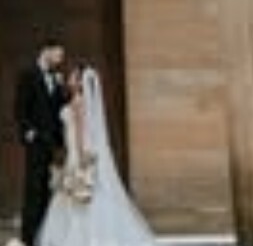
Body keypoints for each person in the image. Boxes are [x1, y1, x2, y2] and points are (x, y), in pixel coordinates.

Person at [37, 65, 156, 246]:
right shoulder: (78, 100)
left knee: (76, 191)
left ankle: (78, 236)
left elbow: (80, 131)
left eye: (73, 77)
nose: (70, 80)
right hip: (77, 150)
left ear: (80, 83)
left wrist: (79, 154)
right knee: (79, 192)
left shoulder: (77, 101)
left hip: (77, 152)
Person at [14, 39, 69, 246]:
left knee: (48, 189)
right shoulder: (28, 74)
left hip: (53, 144)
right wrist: (30, 134)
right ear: (46, 51)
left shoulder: (56, 77)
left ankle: (44, 236)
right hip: (36, 143)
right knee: (33, 189)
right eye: (58, 54)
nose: (60, 59)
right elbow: (20, 108)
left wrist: (62, 88)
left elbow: (60, 110)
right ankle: (28, 239)